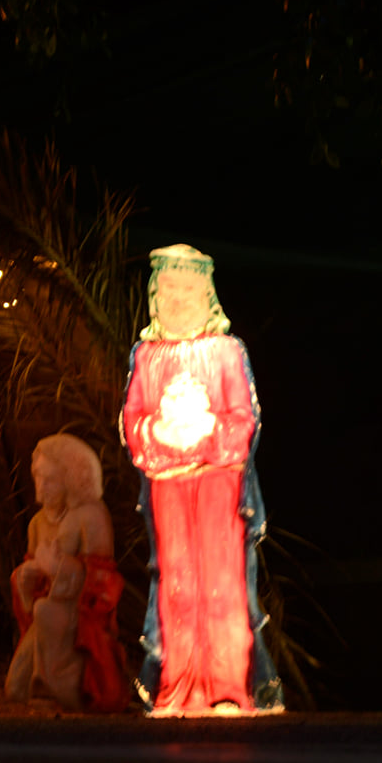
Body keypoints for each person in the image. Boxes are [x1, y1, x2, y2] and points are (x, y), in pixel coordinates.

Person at [119, 244, 283, 716]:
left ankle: (228, 686)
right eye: (168, 287)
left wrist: (205, 431)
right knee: (178, 582)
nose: (177, 298)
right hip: (167, 482)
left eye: (187, 288)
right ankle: (177, 685)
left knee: (222, 583)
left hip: (217, 483)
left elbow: (243, 419)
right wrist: (160, 432)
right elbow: (133, 419)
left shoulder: (226, 352)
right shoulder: (146, 356)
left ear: (206, 294)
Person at [6, 434, 129, 713]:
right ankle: (44, 684)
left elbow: (103, 578)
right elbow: (34, 587)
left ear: (71, 478)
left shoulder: (91, 516)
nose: (42, 486)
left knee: (46, 611)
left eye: (50, 479)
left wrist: (59, 570)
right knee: (15, 688)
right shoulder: (37, 524)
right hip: (47, 614)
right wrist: (25, 579)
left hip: (79, 615)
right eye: (38, 477)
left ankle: (56, 688)